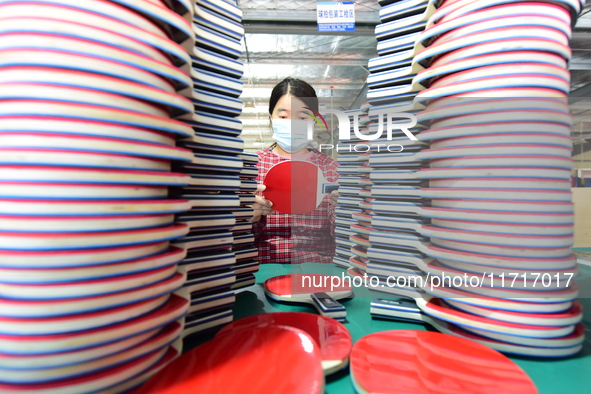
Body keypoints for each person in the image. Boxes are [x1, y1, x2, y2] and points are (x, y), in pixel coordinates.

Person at [250, 78, 339, 264]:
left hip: (321, 266)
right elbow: (233, 239)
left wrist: (345, 212)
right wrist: (250, 218)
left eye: (302, 117)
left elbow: (347, 239)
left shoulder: (332, 170)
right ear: (271, 118)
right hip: (265, 265)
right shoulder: (251, 167)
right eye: (283, 117)